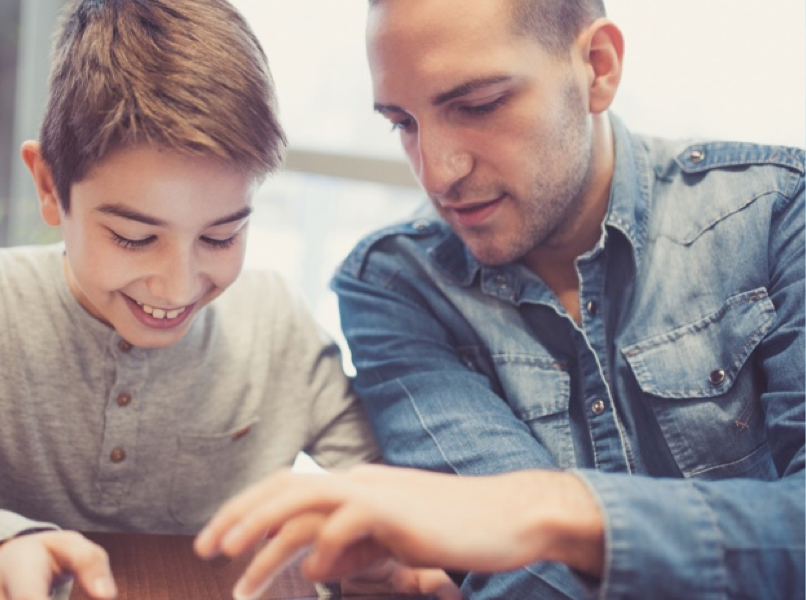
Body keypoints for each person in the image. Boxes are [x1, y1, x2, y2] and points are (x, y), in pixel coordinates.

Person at [197, 0, 805, 598]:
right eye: (402, 123)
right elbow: (527, 581)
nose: (437, 173)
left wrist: (555, 509)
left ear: (598, 66)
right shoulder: (396, 286)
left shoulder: (780, 215)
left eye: (478, 106)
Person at [0, 1, 383, 598]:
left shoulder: (278, 328)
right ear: (48, 186)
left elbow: (390, 498)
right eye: (134, 238)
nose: (177, 286)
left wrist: (385, 552)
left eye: (221, 236)